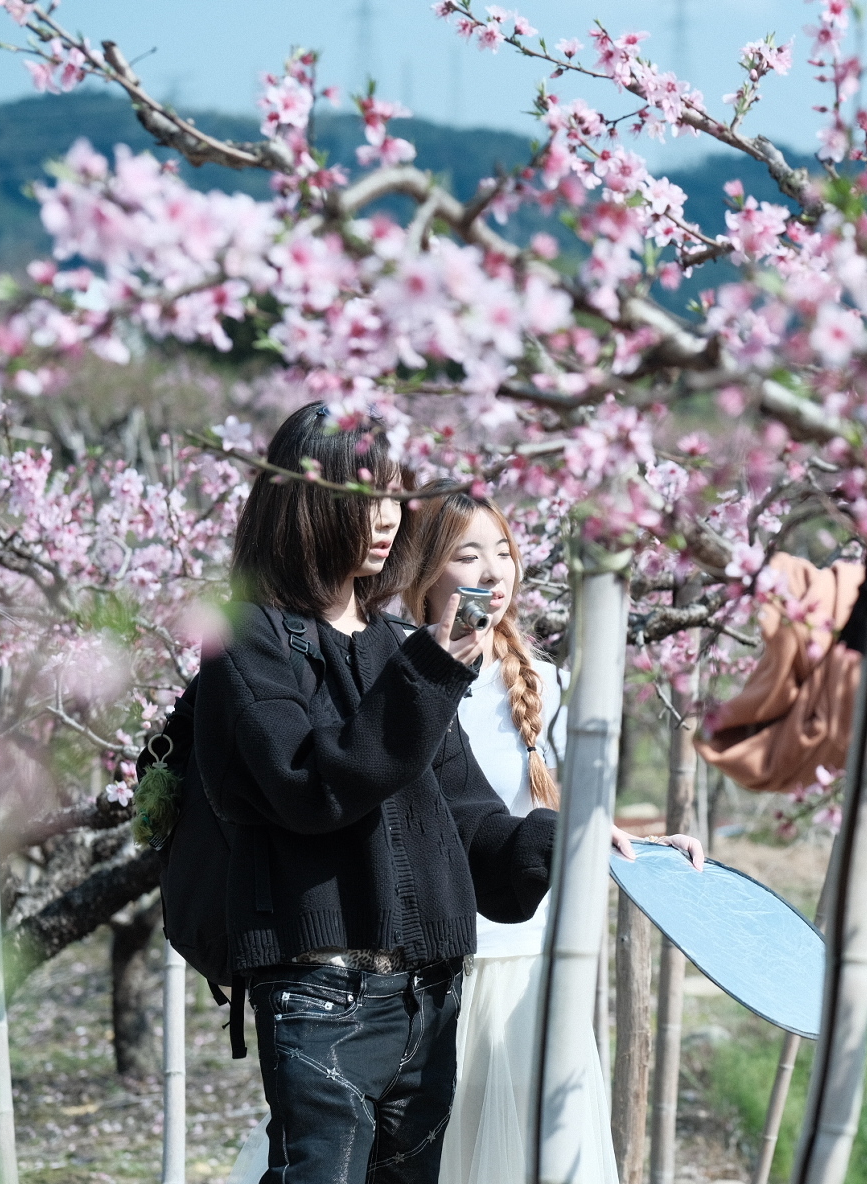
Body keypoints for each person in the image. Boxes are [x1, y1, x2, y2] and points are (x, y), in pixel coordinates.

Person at [199, 403, 560, 1184]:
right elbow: (309, 784)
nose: (388, 517)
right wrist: (431, 671)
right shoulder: (250, 639)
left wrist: (573, 838)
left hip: (428, 994)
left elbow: (468, 822)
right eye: (365, 497)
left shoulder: (396, 646)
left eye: (396, 495)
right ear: (303, 501)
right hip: (322, 992)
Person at [401, 479, 703, 1184]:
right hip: (437, 966)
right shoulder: (394, 673)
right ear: (421, 568)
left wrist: (649, 848)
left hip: (530, 963)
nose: (492, 573)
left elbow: (573, 819)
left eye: (502, 553)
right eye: (466, 555)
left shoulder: (548, 683)